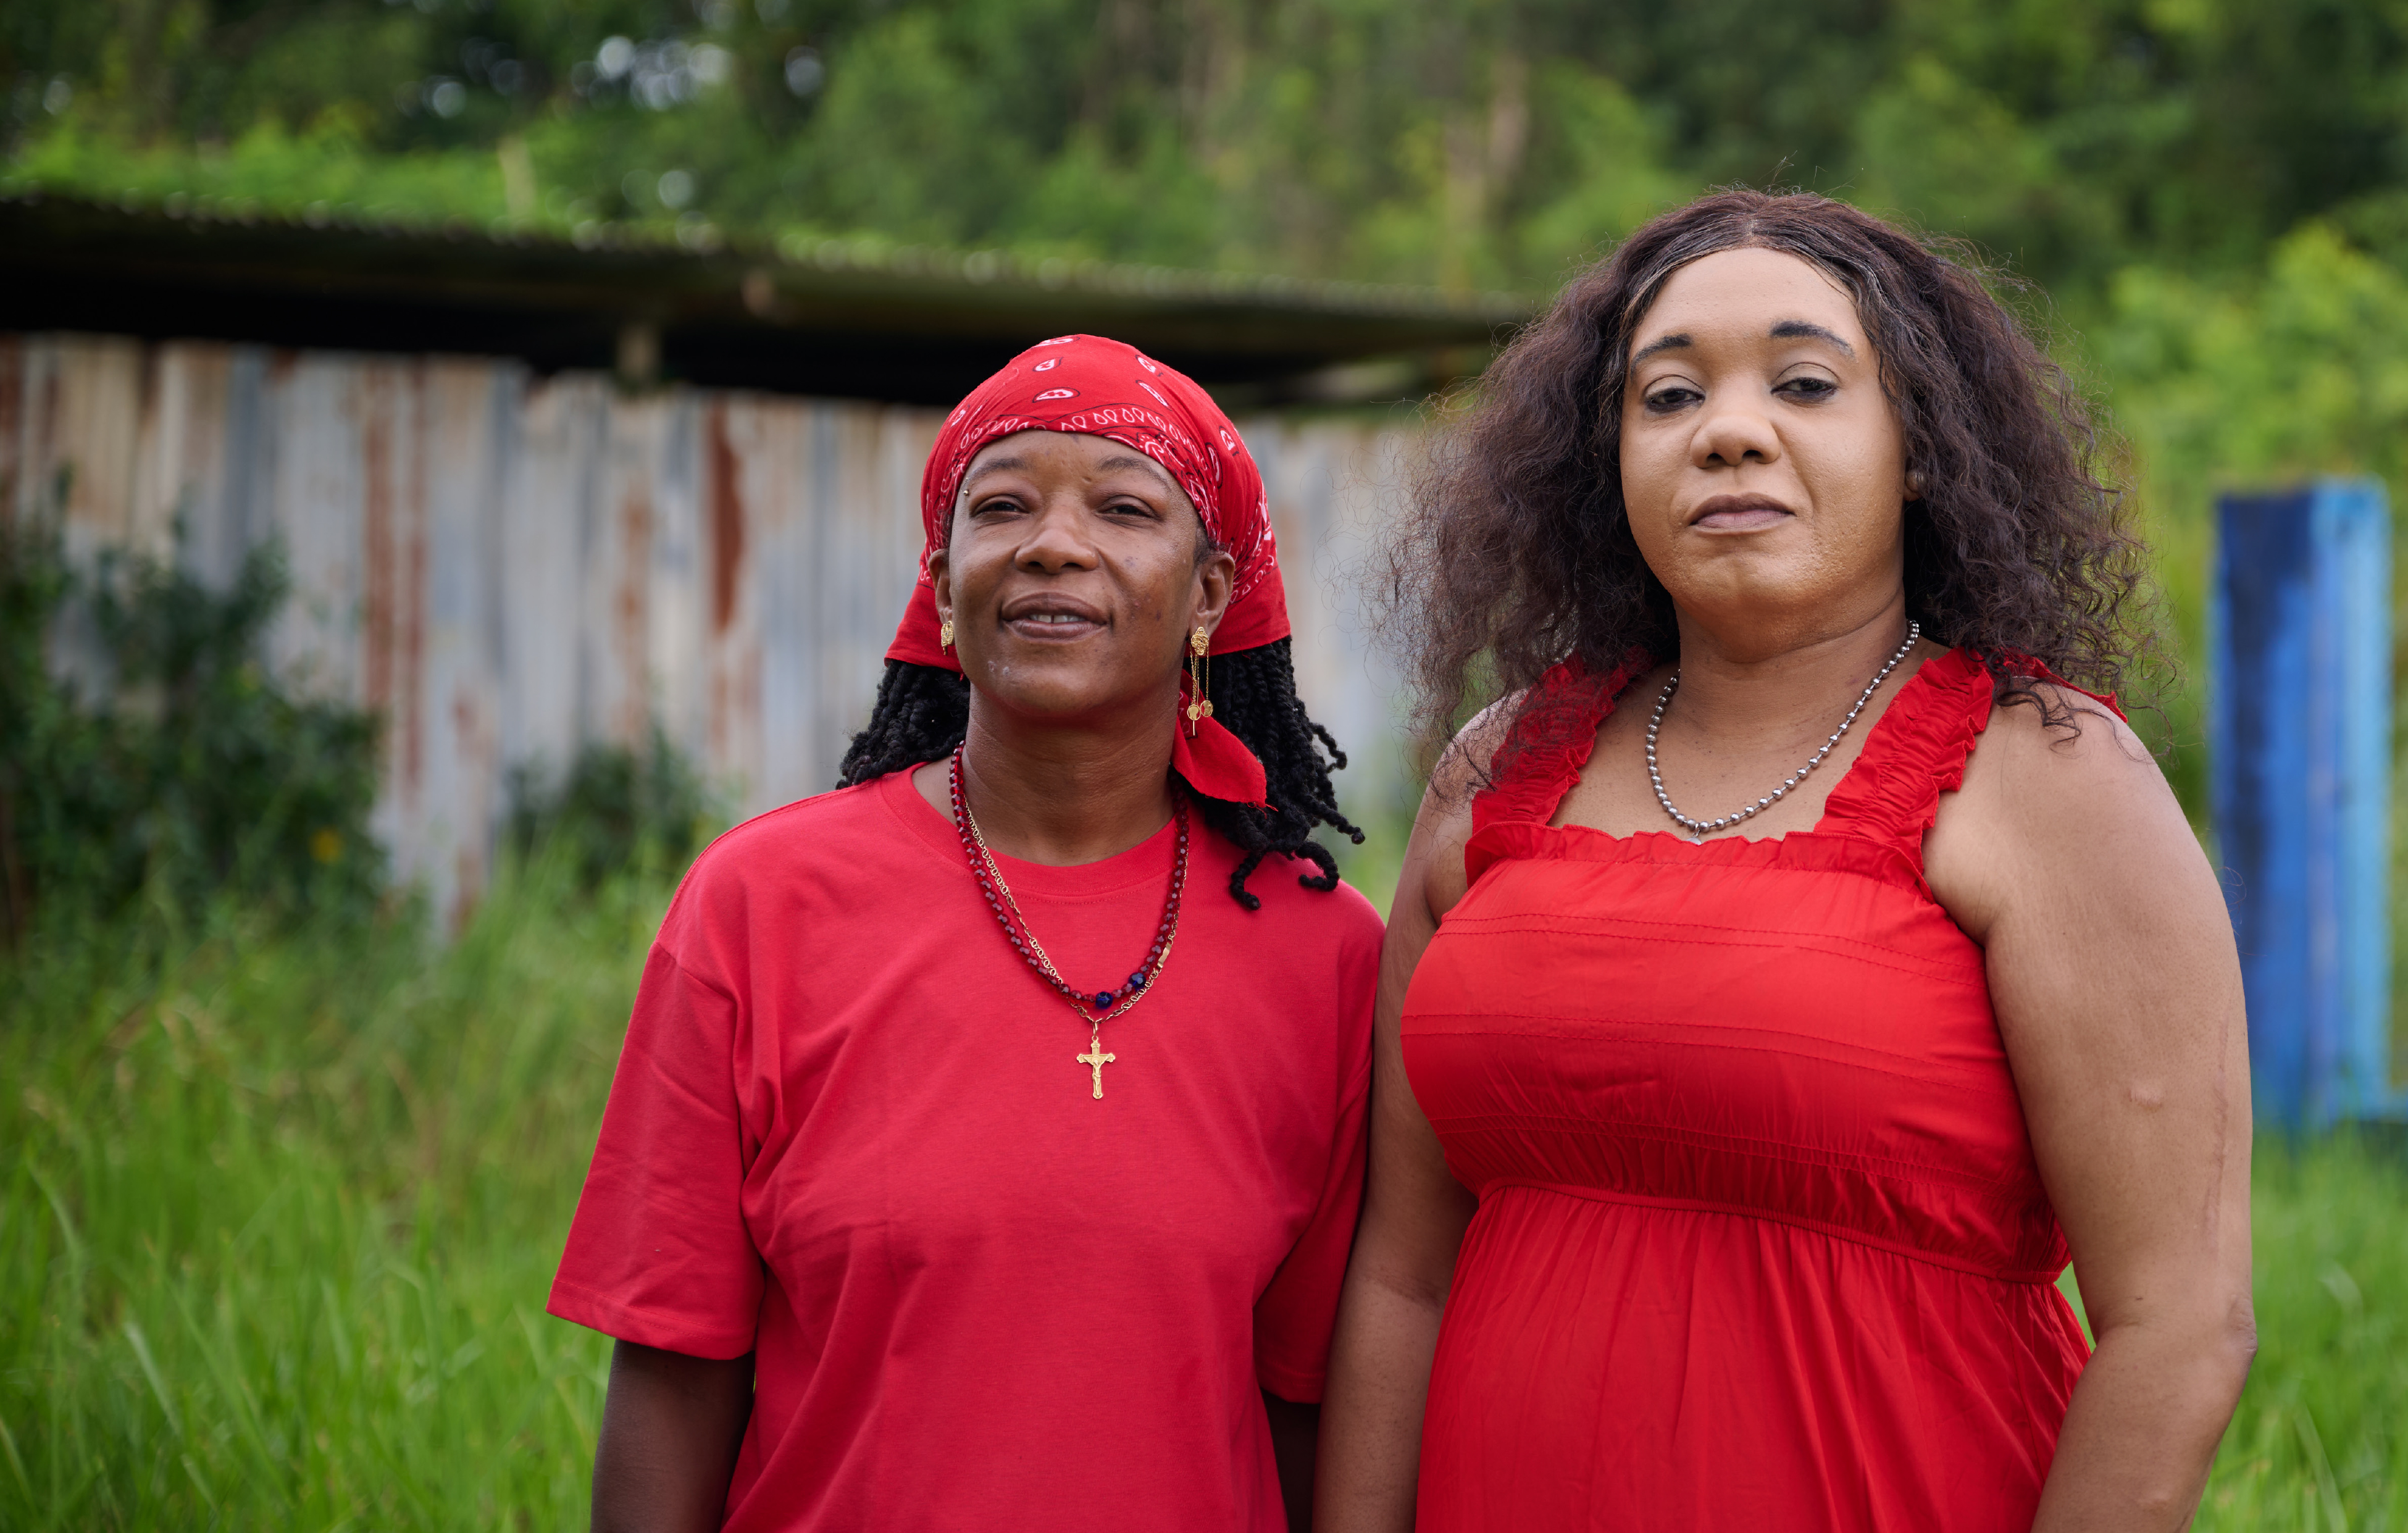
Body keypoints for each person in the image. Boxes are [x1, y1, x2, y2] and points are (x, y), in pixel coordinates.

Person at [1318, 191, 2255, 1531]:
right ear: (1609, 463)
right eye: (1669, 396)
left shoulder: (2050, 778)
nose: (1730, 430)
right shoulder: (1498, 769)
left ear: (1919, 447)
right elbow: (1402, 1279)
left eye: (1805, 384)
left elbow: (2182, 1325)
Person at [548, 334, 1381, 1533]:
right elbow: (675, 1379)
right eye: (1002, 508)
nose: (1052, 543)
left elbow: (1311, 1406)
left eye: (1123, 508)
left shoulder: (1327, 955)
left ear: (1211, 594)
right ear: (942, 586)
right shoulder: (758, 907)